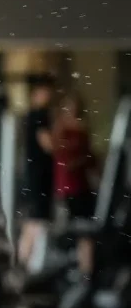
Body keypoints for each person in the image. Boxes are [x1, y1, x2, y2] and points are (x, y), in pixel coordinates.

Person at [51, 91, 97, 276]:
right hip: (69, 186)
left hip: (82, 186)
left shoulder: (81, 130)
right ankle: (81, 269)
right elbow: (65, 158)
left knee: (86, 231)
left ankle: (86, 269)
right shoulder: (62, 130)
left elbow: (90, 158)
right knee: (78, 231)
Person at [16, 75, 56, 272]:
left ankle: (25, 264)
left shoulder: (33, 115)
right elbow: (48, 144)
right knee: (36, 221)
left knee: (33, 221)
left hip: (35, 176)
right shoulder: (40, 115)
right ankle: (31, 267)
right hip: (38, 177)